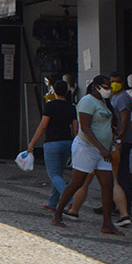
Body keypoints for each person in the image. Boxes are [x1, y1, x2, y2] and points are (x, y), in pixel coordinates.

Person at [52, 75, 123, 235]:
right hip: (87, 148)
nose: (108, 90)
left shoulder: (104, 103)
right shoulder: (87, 101)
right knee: (77, 182)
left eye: (109, 87)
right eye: (105, 86)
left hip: (103, 149)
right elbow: (85, 128)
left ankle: (107, 223)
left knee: (108, 183)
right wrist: (101, 149)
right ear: (96, 86)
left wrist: (111, 142)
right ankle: (58, 213)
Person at [27, 79, 77, 211]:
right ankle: (52, 203)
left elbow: (43, 126)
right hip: (67, 142)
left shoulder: (50, 106)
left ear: (54, 91)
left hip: (52, 142)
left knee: (53, 175)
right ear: (67, 91)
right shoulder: (71, 107)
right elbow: (75, 129)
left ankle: (70, 199)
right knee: (58, 174)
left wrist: (32, 143)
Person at [109, 71, 132, 214]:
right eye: (112, 81)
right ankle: (113, 204)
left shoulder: (122, 98)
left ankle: (124, 207)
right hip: (117, 140)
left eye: (116, 81)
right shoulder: (113, 97)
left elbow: (124, 119)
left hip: (122, 142)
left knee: (122, 175)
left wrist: (120, 137)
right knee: (115, 174)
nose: (114, 84)